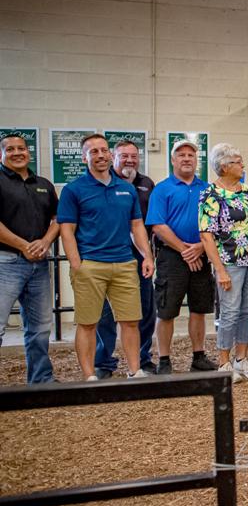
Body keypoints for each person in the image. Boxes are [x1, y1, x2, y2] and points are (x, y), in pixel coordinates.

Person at [58, 134, 154, 381]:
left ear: (110, 154)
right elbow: (66, 231)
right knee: (88, 323)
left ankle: (135, 371)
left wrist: (147, 256)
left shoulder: (126, 188)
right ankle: (89, 375)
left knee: (131, 321)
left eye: (103, 150)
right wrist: (76, 264)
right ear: (84, 157)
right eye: (93, 152)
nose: (100, 155)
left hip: (124, 263)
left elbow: (137, 226)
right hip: (90, 265)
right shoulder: (73, 190)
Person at [146, 139, 216, 375]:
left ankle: (198, 356)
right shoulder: (162, 189)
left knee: (199, 309)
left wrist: (200, 247)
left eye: (191, 155)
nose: (187, 158)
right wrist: (185, 251)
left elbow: (216, 224)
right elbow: (157, 225)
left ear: (197, 161)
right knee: (166, 311)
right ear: (173, 160)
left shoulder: (207, 189)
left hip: (201, 254)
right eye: (181, 155)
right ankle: (164, 360)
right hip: (171, 258)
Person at [199, 143, 248, 382]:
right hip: (229, 260)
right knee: (230, 311)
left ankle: (241, 358)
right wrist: (219, 269)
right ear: (225, 166)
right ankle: (224, 362)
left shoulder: (245, 189)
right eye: (238, 161)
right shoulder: (211, 194)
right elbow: (206, 234)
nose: (243, 165)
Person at [94, 139, 157, 378]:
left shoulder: (147, 184)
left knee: (144, 311)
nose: (129, 160)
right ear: (113, 157)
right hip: (107, 257)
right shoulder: (103, 182)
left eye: (134, 156)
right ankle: (103, 362)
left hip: (141, 259)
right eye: (124, 156)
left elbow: (146, 223)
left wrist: (149, 255)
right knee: (105, 315)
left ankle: (142, 359)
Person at [0, 133, 58, 384]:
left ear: (29, 152)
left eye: (21, 148)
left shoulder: (43, 183)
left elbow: (57, 220)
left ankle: (41, 378)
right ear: (1, 154)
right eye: (10, 149)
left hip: (39, 265)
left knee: (40, 327)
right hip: (6, 263)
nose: (17, 153)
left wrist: (45, 242)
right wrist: (24, 245)